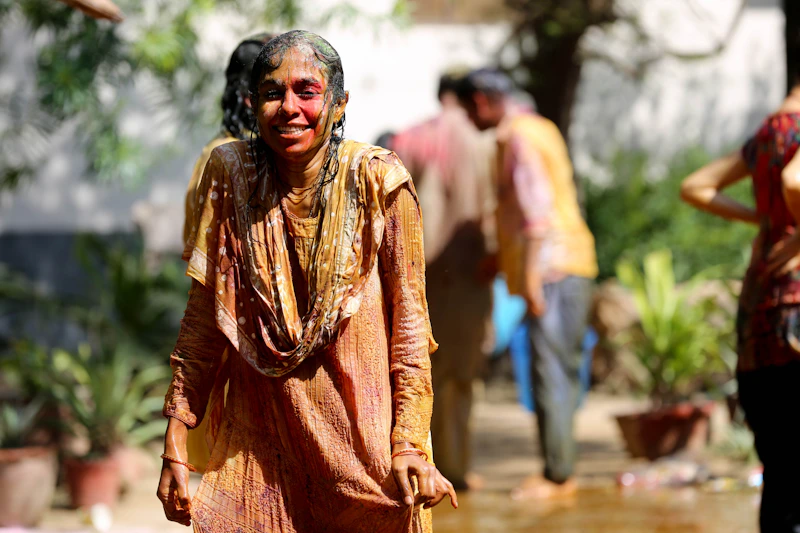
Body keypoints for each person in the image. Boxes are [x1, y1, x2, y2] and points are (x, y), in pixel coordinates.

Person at [158, 31, 457, 532]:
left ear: (338, 105)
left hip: (363, 446)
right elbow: (202, 322)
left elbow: (408, 329)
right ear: (252, 104)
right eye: (273, 93)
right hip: (261, 446)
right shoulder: (231, 175)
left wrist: (408, 442)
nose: (289, 108)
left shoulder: (378, 180)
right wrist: (175, 438)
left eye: (306, 91)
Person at [457, 68, 597, 500]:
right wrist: (501, 259)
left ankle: (558, 476)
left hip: (553, 271)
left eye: (467, 110)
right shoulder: (539, 127)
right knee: (558, 372)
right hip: (571, 264)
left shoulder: (516, 137)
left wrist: (531, 281)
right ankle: (559, 469)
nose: (467, 120)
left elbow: (537, 218)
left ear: (480, 101)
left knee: (550, 373)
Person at [681, 85, 800, 532]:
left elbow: (695, 185)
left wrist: (766, 221)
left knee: (780, 470)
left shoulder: (769, 134)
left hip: (759, 316)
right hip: (795, 309)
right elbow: (795, 181)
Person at [390, 69, 495, 490]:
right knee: (463, 378)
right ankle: (459, 468)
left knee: (417, 372)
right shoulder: (487, 141)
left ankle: (420, 466)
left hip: (418, 277)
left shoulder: (408, 139)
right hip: (473, 274)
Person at [182, 32, 274, 474]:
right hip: (234, 347)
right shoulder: (223, 159)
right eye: (273, 90)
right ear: (249, 96)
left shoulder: (262, 158)